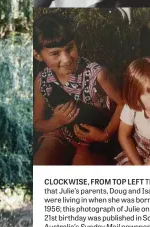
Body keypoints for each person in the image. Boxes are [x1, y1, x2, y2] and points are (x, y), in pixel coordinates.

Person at [33, 13, 123, 165]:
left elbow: (124, 104)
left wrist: (105, 134)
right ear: (38, 55)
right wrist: (56, 121)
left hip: (95, 137)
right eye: (55, 53)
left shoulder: (97, 74)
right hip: (62, 131)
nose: (67, 59)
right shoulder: (42, 81)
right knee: (41, 162)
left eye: (70, 48)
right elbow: (37, 122)